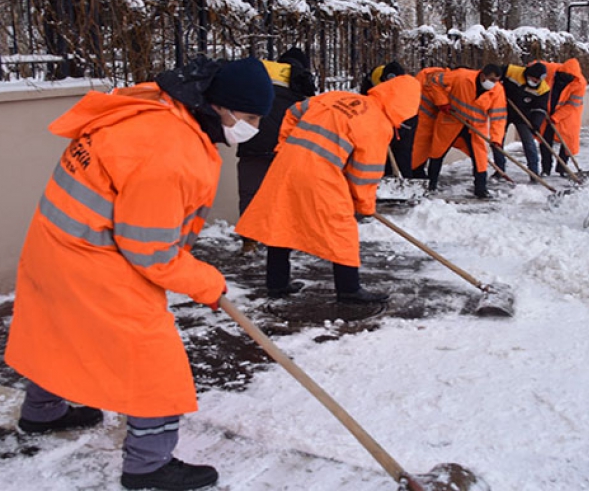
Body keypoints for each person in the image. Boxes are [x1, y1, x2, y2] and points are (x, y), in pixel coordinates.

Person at [4, 55, 274, 490]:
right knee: (154, 363)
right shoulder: (169, 147)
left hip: (56, 243)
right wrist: (208, 283)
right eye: (248, 116)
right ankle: (149, 464)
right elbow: (151, 253)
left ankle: (42, 412)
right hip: (95, 261)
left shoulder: (156, 105)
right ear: (219, 106)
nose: (252, 127)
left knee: (54, 327)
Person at [235, 75, 421, 303]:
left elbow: (293, 111)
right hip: (321, 175)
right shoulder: (377, 124)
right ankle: (349, 289)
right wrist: (364, 205)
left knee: (281, 220)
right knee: (343, 229)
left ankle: (277, 284)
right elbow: (365, 173)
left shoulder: (338, 97)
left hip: (287, 165)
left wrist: (285, 144)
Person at [237, 47, 316, 253]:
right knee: (284, 195)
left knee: (250, 193)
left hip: (251, 141)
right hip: (285, 145)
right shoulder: (301, 80)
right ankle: (281, 240)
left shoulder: (260, 74)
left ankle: (249, 242)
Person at [411, 64, 507, 198]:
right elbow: (434, 81)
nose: (493, 83)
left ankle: (481, 189)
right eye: (491, 80)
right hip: (451, 121)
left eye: (496, 81)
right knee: (437, 153)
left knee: (479, 158)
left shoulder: (497, 91)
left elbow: (498, 117)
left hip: (475, 128)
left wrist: (496, 139)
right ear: (483, 75)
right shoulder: (462, 76)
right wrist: (442, 102)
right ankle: (431, 185)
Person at [360, 60, 417, 178]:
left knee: (404, 151)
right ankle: (385, 177)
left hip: (404, 121)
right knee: (383, 151)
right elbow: (367, 102)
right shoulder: (373, 84)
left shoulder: (409, 86)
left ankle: (405, 178)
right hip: (382, 119)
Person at [495, 62, 550, 178]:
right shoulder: (512, 71)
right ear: (528, 74)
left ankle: (533, 172)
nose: (534, 82)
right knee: (497, 140)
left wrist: (536, 124)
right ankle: (499, 169)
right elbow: (495, 75)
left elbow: (540, 108)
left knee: (529, 143)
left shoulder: (543, 89)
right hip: (504, 110)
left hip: (523, 115)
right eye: (533, 79)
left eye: (537, 81)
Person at [537, 58, 587, 176]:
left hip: (568, 115)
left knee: (568, 141)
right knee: (545, 140)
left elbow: (572, 105)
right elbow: (535, 66)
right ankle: (546, 168)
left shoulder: (580, 83)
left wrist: (556, 117)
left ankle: (562, 168)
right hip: (548, 112)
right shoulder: (551, 70)